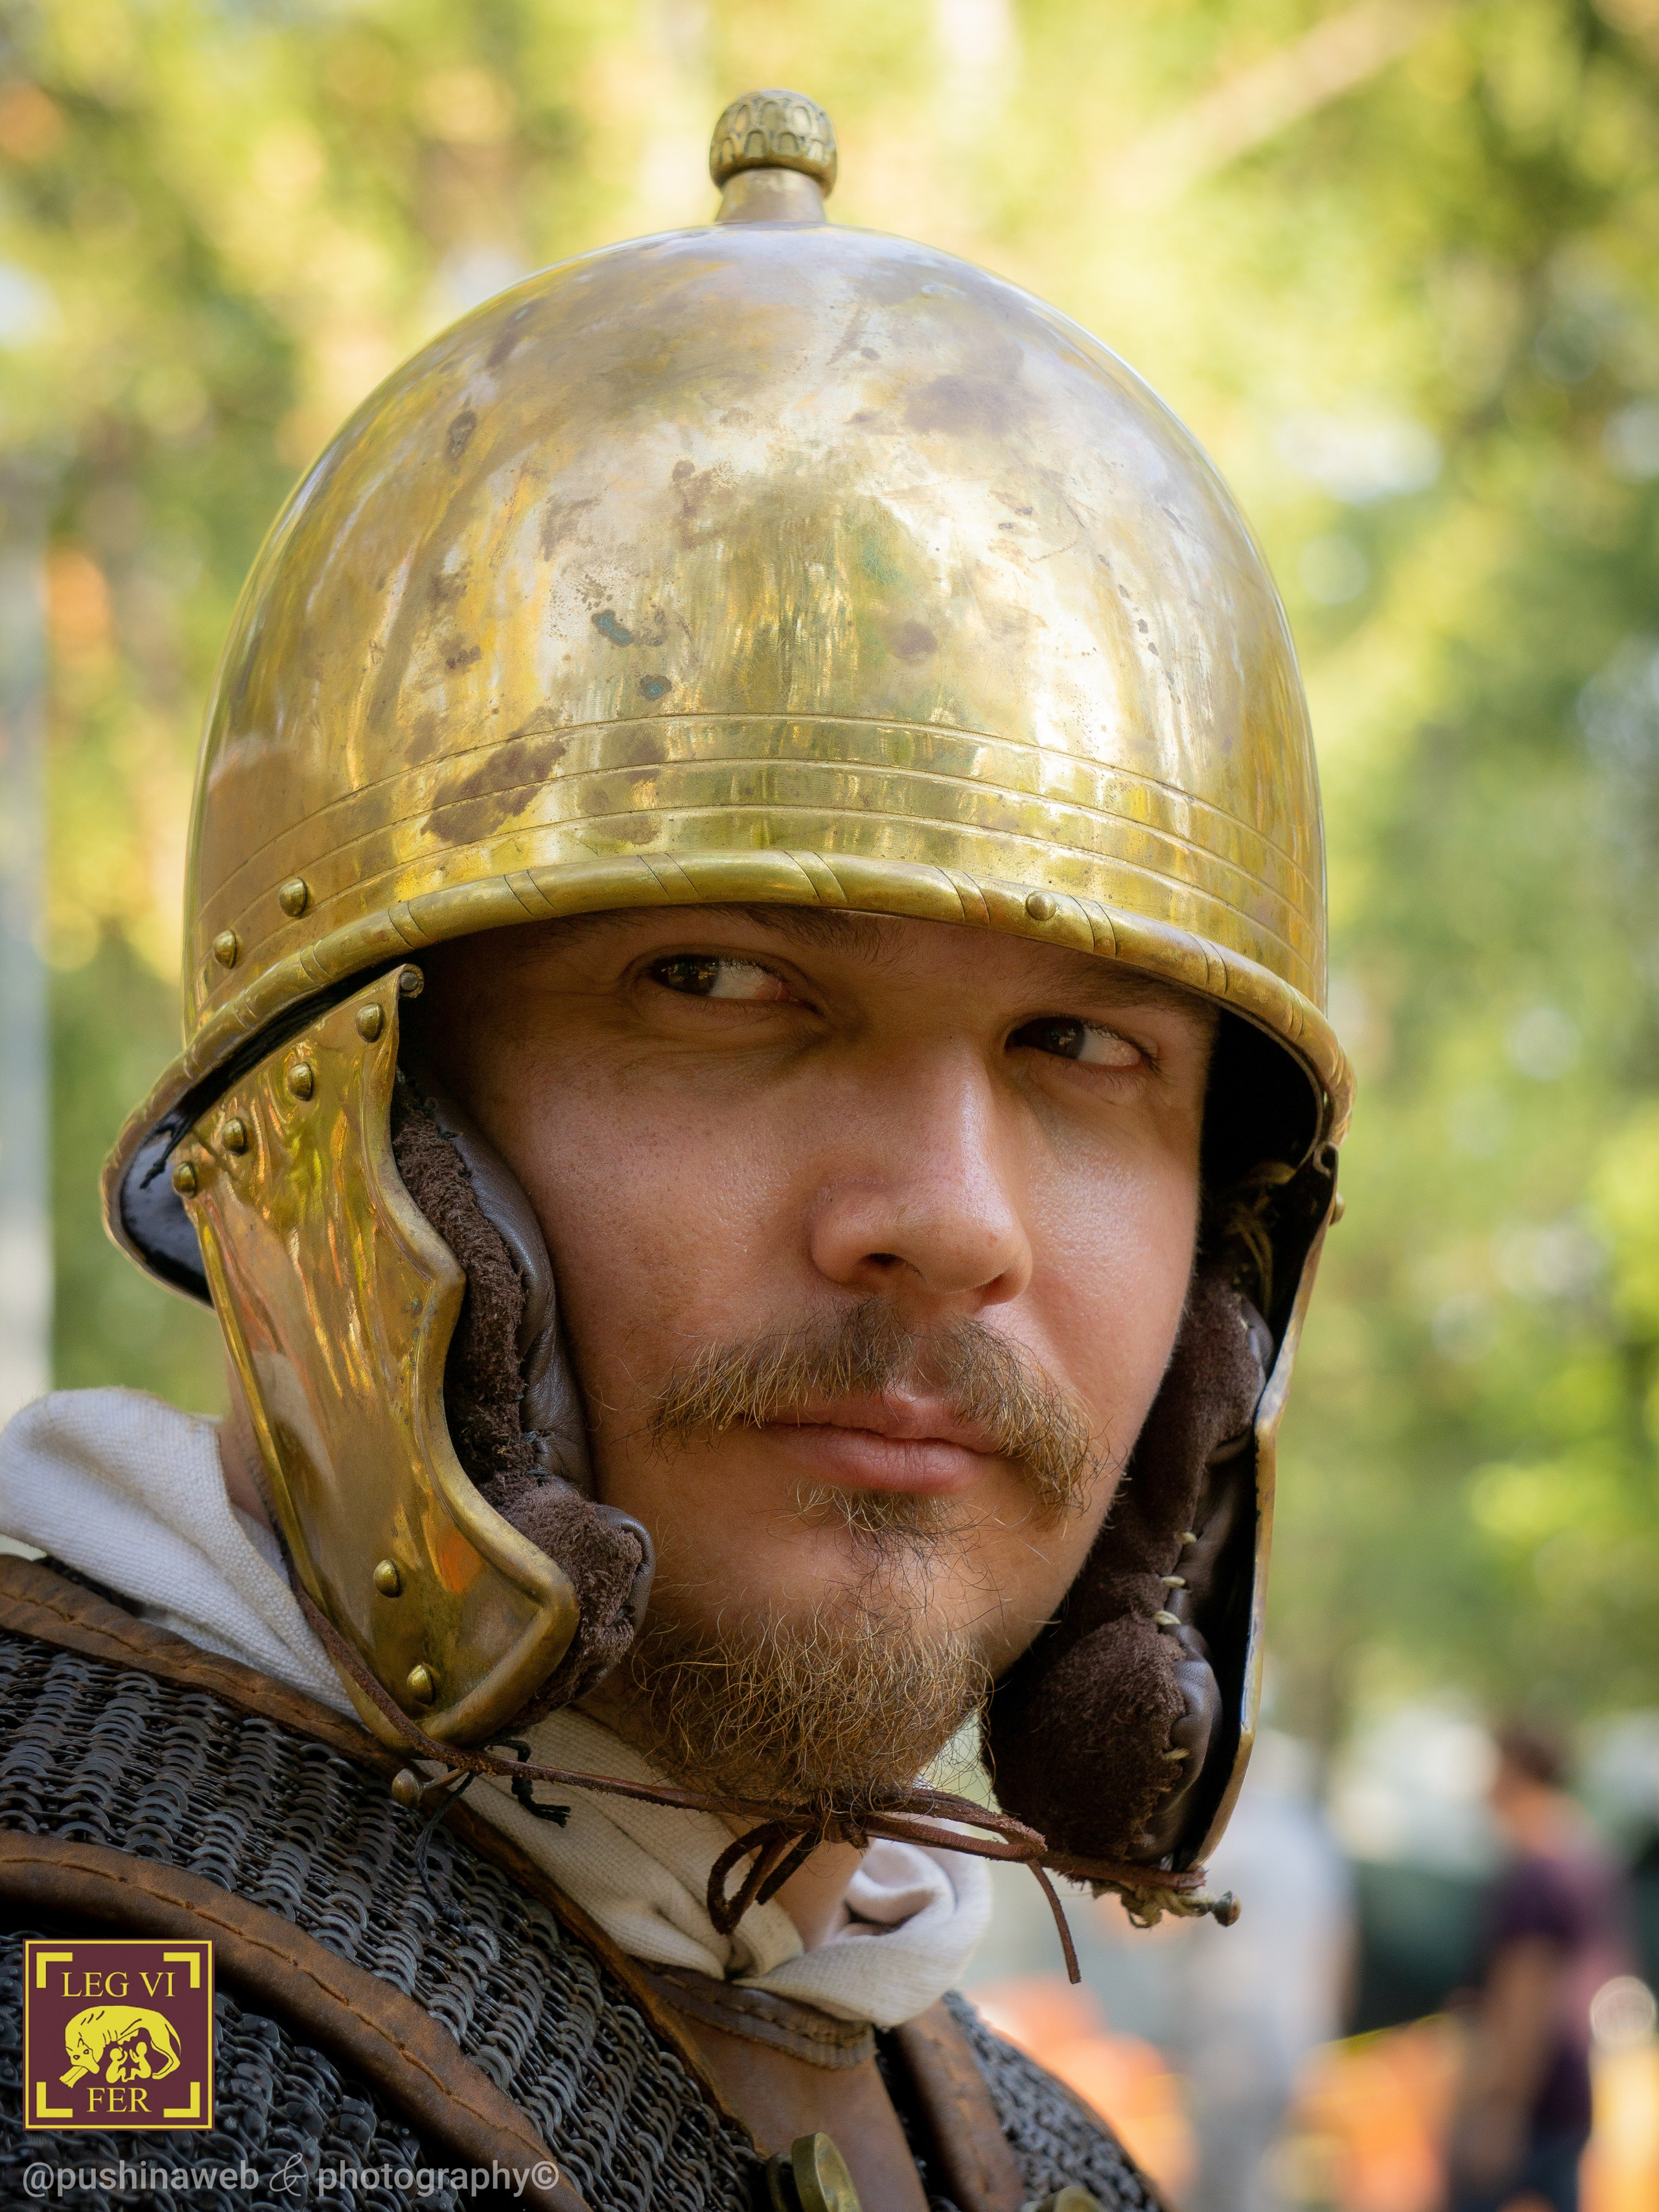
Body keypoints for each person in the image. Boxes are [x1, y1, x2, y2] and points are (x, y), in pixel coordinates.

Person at [0, 87, 1352, 2212]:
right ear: (352, 1122)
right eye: (720, 986)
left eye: (1080, 1042)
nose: (946, 1220)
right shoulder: (90, 2068)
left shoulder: (1033, 2152)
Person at [1446, 1723, 1632, 2212]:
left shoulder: (1538, 1872)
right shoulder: (1588, 1855)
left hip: (1528, 2100)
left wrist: (1500, 2109)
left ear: (1516, 1771)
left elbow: (1527, 1994)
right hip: (1571, 2091)